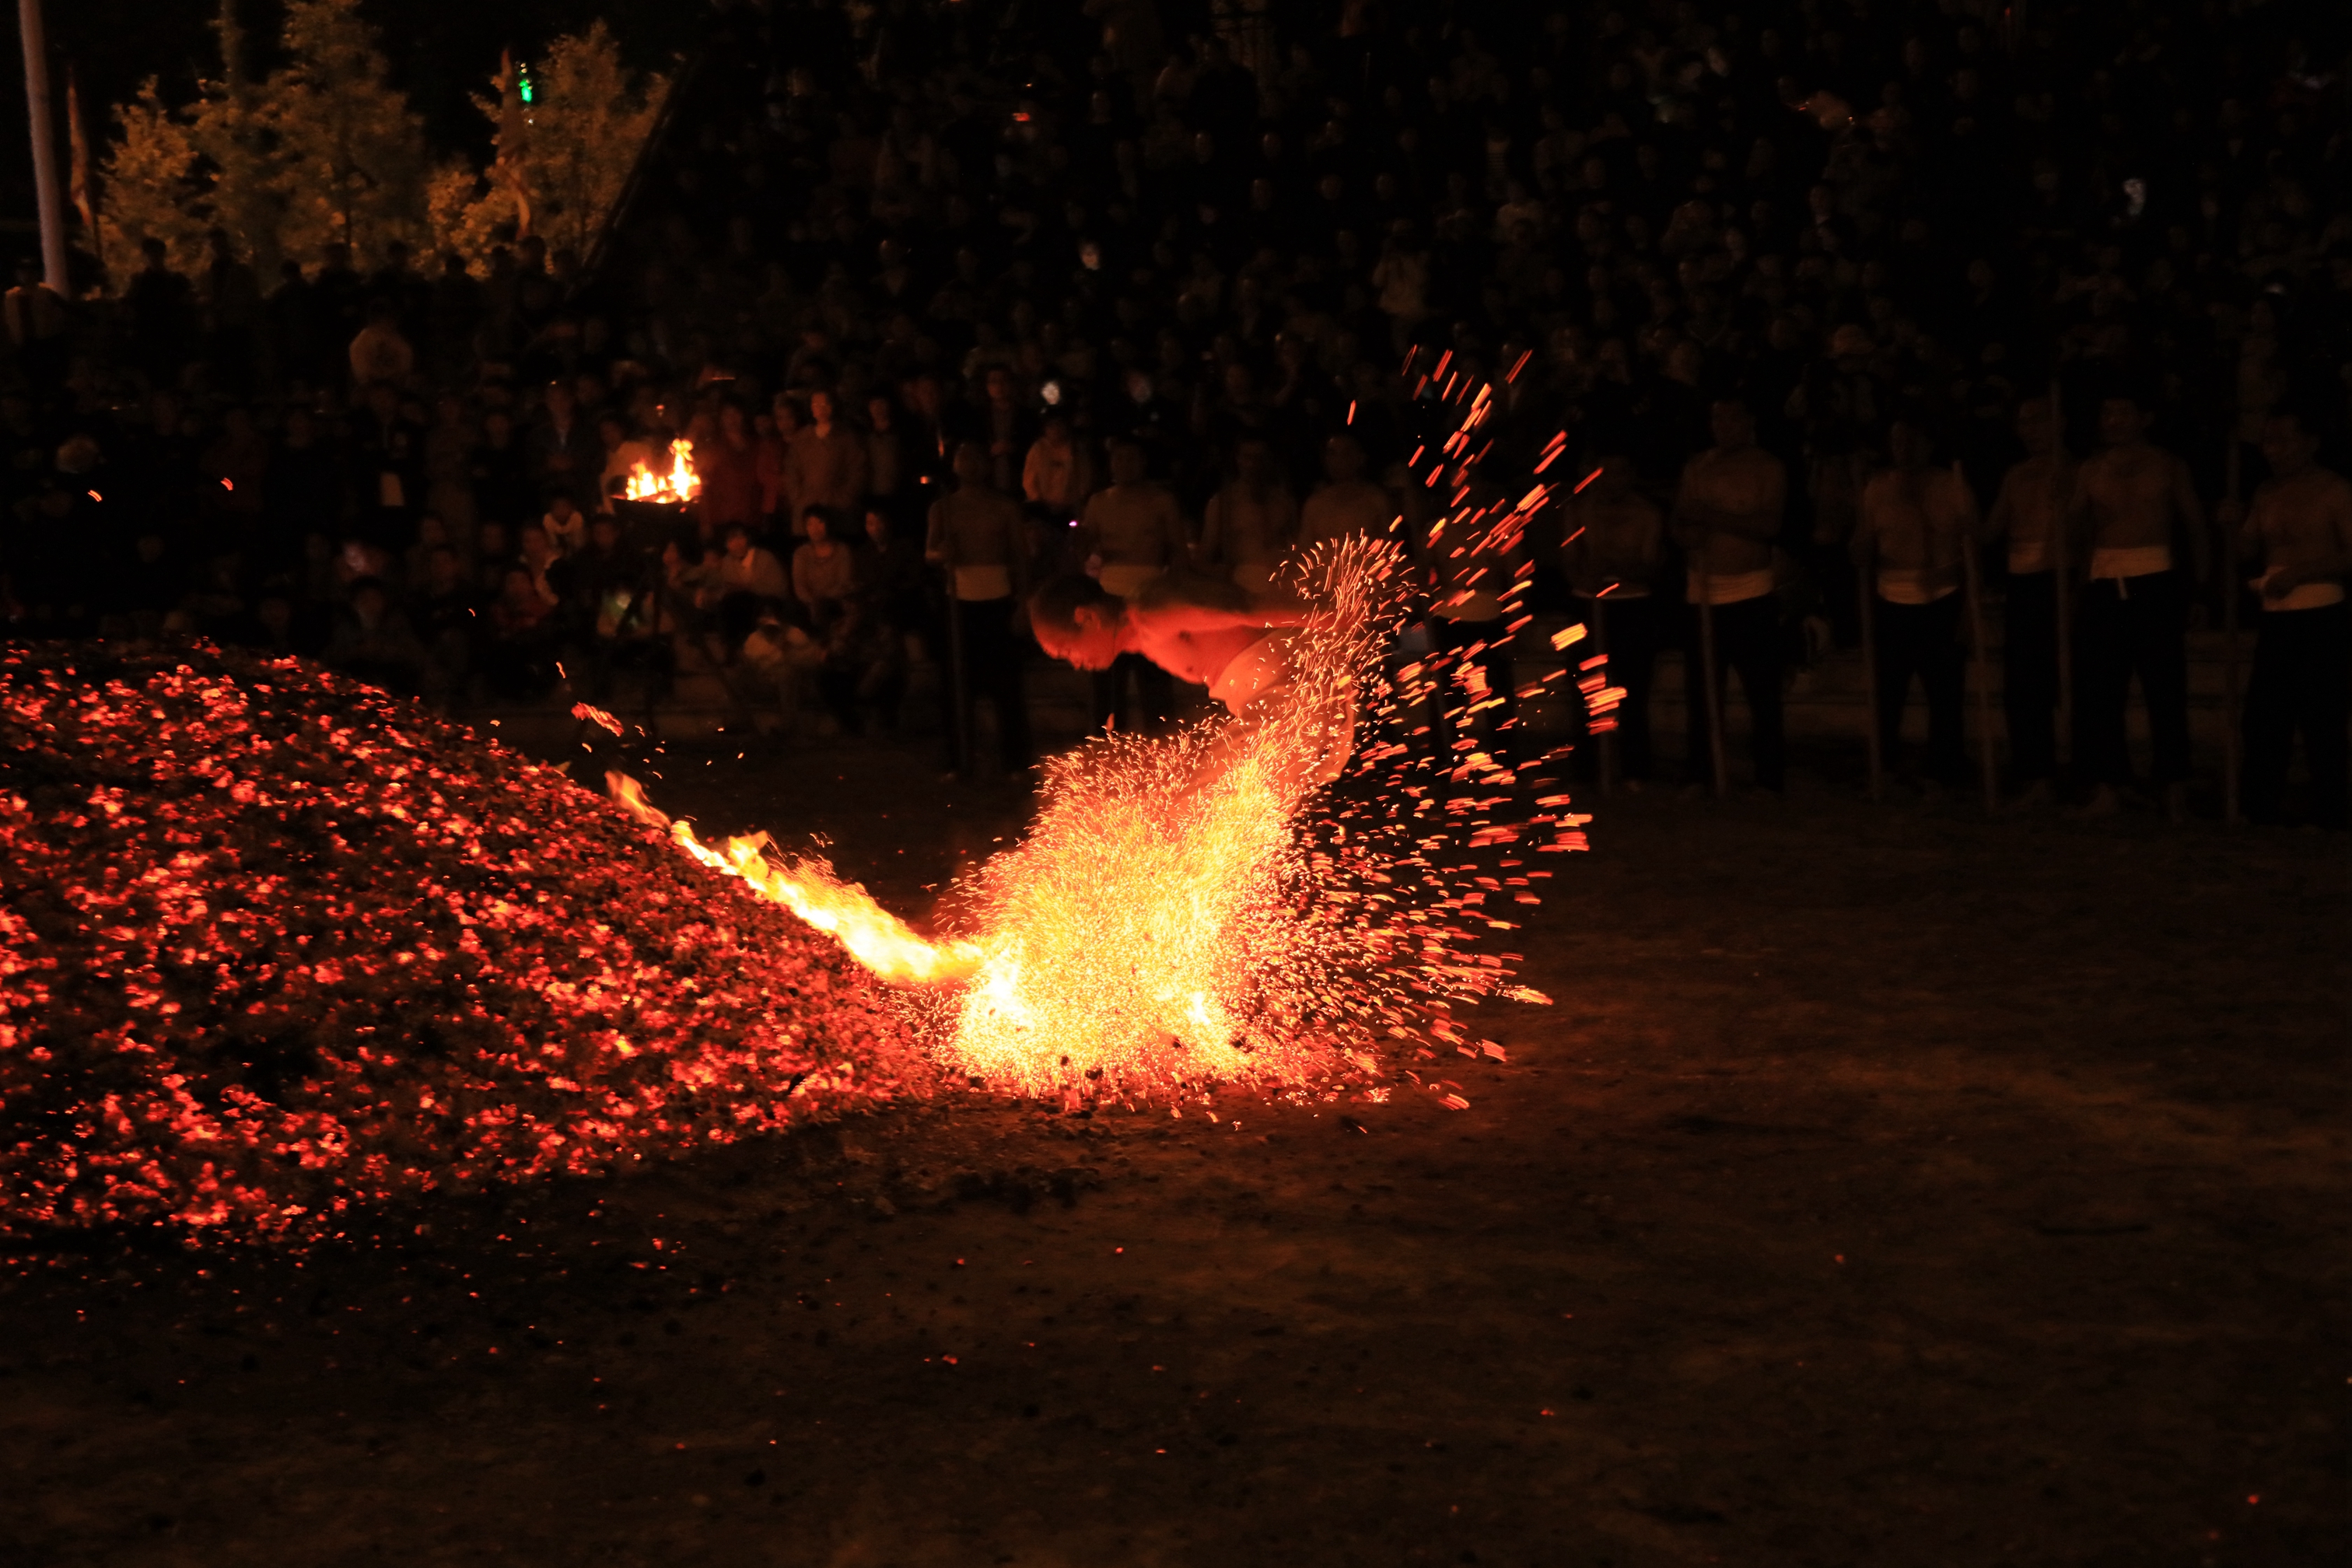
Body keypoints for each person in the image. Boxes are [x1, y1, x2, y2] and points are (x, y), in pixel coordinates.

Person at [1027, 569, 1353, 788]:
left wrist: (1338, 617)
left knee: (1204, 804)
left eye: (1066, 651)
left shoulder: (1152, 610)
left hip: (1290, 691)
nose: (1075, 663)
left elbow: (1244, 607)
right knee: (1213, 806)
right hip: (1274, 697)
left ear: (1087, 617)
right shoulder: (1140, 633)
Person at [2067, 391, 2210, 820]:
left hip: (2155, 583)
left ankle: (2173, 782)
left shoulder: (2167, 465)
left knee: (2165, 688)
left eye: (2121, 412)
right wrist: (2067, 511)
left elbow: (2195, 528)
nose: (2112, 420)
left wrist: (2201, 591)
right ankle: (2111, 783)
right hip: (2104, 581)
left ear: (2144, 417)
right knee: (2102, 692)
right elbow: (2075, 533)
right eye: (2106, 412)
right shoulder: (2090, 469)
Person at [2231, 409, 2350, 829]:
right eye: (2267, 441)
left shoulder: (2335, 490)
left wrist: (2301, 573)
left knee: (2322, 716)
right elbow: (2246, 550)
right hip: (2276, 616)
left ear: (2310, 443)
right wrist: (2229, 524)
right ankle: (2260, 805)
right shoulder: (2266, 492)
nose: (2273, 451)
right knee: (2264, 716)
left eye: (2283, 440)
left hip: (2321, 615)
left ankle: (2331, 808)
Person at [1852, 418, 1977, 791]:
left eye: (1912, 440)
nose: (1904, 448)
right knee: (1888, 691)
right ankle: (1885, 763)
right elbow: (1862, 546)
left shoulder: (1951, 485)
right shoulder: (1877, 488)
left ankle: (1943, 767)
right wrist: (1859, 548)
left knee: (1945, 693)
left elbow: (1973, 550)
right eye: (1897, 441)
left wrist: (1969, 609)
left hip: (1942, 600)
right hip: (1892, 599)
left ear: (1928, 444)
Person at [1671, 396, 1787, 793]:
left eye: (1731, 419)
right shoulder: (1697, 467)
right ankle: (1702, 770)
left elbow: (1769, 525)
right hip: (1703, 592)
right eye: (1717, 419)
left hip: (1751, 591)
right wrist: (1689, 535)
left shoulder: (1767, 467)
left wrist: (1713, 518)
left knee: (1762, 691)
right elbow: (1680, 522)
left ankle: (1769, 775)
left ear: (1748, 422)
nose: (1722, 427)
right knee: (1703, 691)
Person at [1983, 395, 2077, 807]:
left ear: (2060, 423)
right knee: (2023, 685)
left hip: (2063, 577)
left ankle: (2082, 771)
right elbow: (1991, 530)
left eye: (2039, 420)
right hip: (2023, 582)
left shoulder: (2078, 470)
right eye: (2024, 422)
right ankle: (2035, 773)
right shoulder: (2016, 475)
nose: (2030, 430)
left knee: (2069, 679)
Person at [925, 440, 1031, 774]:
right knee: (956, 685)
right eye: (963, 458)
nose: (969, 464)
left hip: (998, 600)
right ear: (955, 465)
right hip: (958, 603)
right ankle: (959, 759)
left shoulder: (1004, 507)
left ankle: (1015, 761)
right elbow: (929, 551)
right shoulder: (943, 508)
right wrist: (942, 555)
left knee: (1006, 685)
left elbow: (1019, 556)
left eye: (975, 458)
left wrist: (1022, 602)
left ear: (985, 466)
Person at [1561, 446, 1664, 786]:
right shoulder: (1578, 510)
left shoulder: (1645, 513)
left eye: (1619, 472)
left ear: (1630, 476)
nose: (1610, 481)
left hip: (1633, 606)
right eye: (1604, 473)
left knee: (1632, 691)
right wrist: (1586, 578)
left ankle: (1635, 770)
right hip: (1587, 605)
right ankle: (1589, 770)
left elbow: (1649, 568)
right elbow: (1571, 562)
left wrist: (1614, 568)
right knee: (1585, 689)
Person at [1076, 436, 1186, 732]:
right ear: (1111, 464)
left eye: (1132, 458)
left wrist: (1175, 595)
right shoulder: (1099, 502)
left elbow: (1178, 551)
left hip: (1151, 596)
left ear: (1143, 463)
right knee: (1108, 678)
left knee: (1155, 676)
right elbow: (1083, 549)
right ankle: (1106, 740)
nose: (1125, 465)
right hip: (1109, 596)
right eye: (1119, 459)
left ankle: (1163, 740)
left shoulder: (1162, 501)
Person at [1198, 436, 1299, 597]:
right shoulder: (1223, 503)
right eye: (1247, 457)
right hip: (1241, 588)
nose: (1253, 465)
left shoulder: (1284, 501)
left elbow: (1299, 549)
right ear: (1238, 460)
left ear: (1268, 461)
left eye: (1259, 458)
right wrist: (1225, 577)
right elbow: (1204, 558)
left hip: (1280, 587)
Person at [1296, 434, 1398, 553]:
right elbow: (1303, 551)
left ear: (1360, 457)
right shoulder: (1314, 505)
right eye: (1332, 453)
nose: (1339, 460)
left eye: (1346, 453)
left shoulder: (1376, 500)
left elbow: (1390, 548)